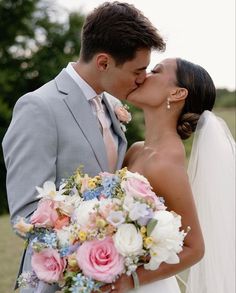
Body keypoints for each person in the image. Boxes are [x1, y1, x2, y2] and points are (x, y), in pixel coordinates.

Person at [2, 2, 165, 292]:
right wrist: (94, 243)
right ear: (103, 63)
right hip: (57, 282)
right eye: (137, 70)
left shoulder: (111, 104)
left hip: (107, 277)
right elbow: (26, 215)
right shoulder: (38, 107)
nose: (143, 79)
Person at [100, 58, 235, 293]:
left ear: (177, 93)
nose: (143, 76)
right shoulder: (138, 149)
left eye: (156, 71)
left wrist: (131, 281)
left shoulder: (166, 163)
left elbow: (195, 248)